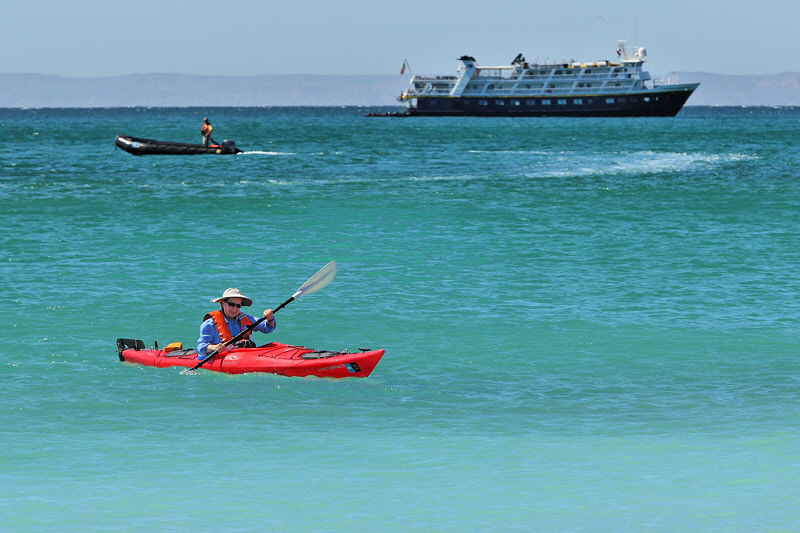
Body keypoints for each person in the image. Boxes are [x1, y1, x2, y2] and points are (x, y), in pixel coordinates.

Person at [197, 288, 276, 360]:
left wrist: (269, 318)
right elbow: (200, 347)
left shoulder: (245, 319)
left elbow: (267, 327)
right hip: (218, 360)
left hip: (242, 358)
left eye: (238, 306)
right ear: (223, 303)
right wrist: (214, 347)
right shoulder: (209, 324)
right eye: (231, 304)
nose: (234, 309)